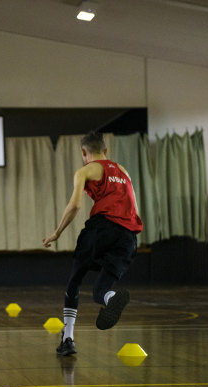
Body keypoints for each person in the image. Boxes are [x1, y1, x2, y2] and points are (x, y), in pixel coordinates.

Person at [42, 131, 142, 356]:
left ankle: (68, 339)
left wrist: (57, 233)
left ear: (83, 152)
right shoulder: (123, 171)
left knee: (75, 281)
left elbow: (75, 205)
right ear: (106, 151)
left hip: (101, 228)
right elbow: (133, 205)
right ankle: (112, 298)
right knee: (101, 290)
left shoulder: (85, 170)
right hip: (128, 235)